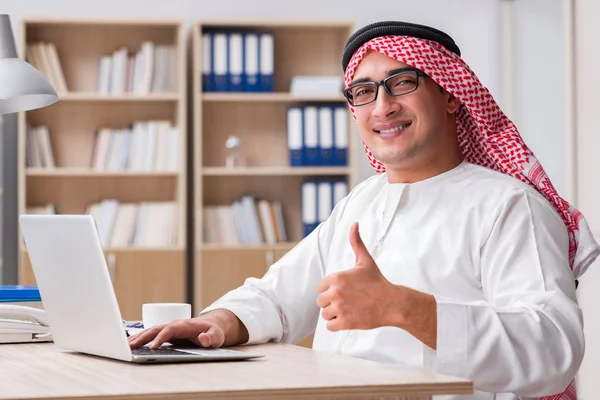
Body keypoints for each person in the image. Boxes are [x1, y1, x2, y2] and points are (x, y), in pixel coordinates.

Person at [128, 21, 600, 400]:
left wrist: (406, 309)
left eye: (402, 83)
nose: (383, 106)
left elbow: (553, 348)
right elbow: (278, 295)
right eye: (364, 91)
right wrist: (219, 323)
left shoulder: (509, 206)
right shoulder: (361, 201)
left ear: (453, 95)